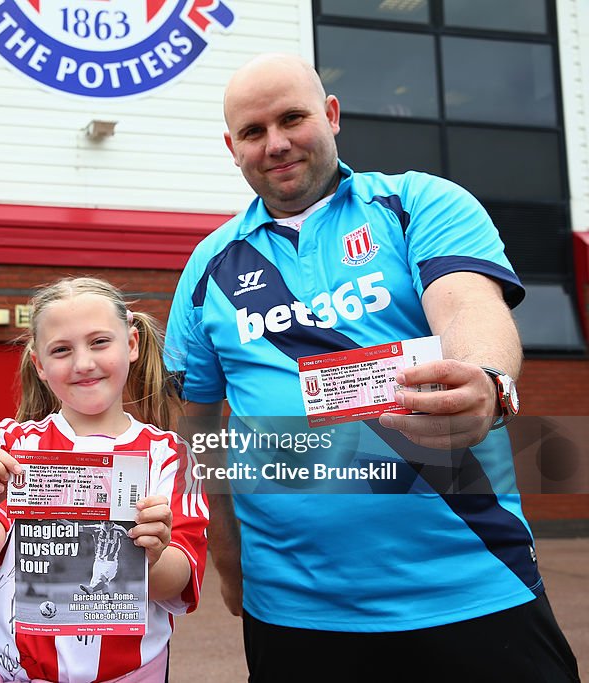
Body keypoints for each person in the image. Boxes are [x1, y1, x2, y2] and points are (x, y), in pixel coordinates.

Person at [164, 53, 580, 681]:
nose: (276, 144)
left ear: (331, 116)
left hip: (474, 582)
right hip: (295, 609)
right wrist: (229, 562)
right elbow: (196, 432)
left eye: (292, 119)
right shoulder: (208, 266)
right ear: (233, 147)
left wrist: (486, 381)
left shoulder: (417, 203)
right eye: (253, 132)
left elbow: (469, 302)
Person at [0, 277, 208, 683]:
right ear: (39, 364)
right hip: (10, 672)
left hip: (131, 674)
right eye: (62, 350)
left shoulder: (171, 456)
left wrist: (152, 555)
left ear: (133, 345)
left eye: (100, 342)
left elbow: (179, 579)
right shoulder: (9, 442)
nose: (83, 363)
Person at [78, 521, 129, 595]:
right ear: (101, 522)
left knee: (102, 579)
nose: (107, 525)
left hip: (111, 562)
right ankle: (108, 604)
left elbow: (128, 536)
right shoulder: (96, 528)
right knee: (104, 585)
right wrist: (63, 521)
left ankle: (91, 589)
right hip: (98, 562)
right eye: (105, 523)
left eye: (109, 523)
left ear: (112, 523)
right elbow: (77, 528)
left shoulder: (119, 530)